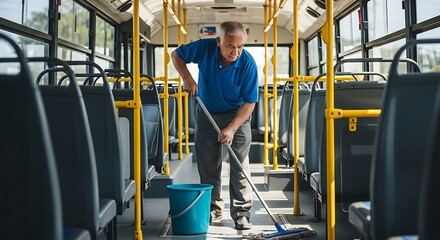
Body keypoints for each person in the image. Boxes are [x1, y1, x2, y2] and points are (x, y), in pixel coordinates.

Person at [171, 21, 258, 230]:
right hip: (206, 113)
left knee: (239, 165)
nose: (235, 52)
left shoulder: (248, 64)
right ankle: (213, 209)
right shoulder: (204, 48)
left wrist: (232, 128)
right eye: (230, 46)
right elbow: (176, 55)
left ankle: (242, 213)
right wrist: (187, 77)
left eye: (240, 47)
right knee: (208, 165)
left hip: (238, 115)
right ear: (218, 41)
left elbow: (250, 102)